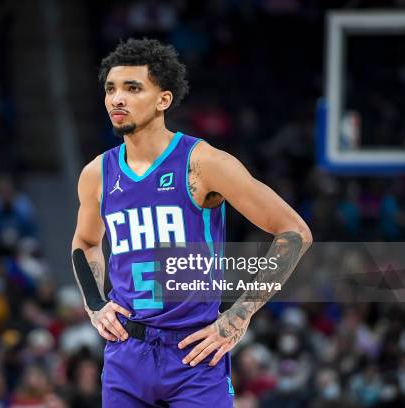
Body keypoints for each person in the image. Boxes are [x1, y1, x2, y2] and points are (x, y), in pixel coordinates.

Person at [71, 38, 312, 407]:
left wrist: (240, 314)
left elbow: (294, 232)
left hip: (195, 353)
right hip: (127, 354)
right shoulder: (96, 174)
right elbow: (86, 242)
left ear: (163, 99)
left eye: (132, 88)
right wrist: (94, 304)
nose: (117, 99)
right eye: (110, 89)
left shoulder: (203, 163)